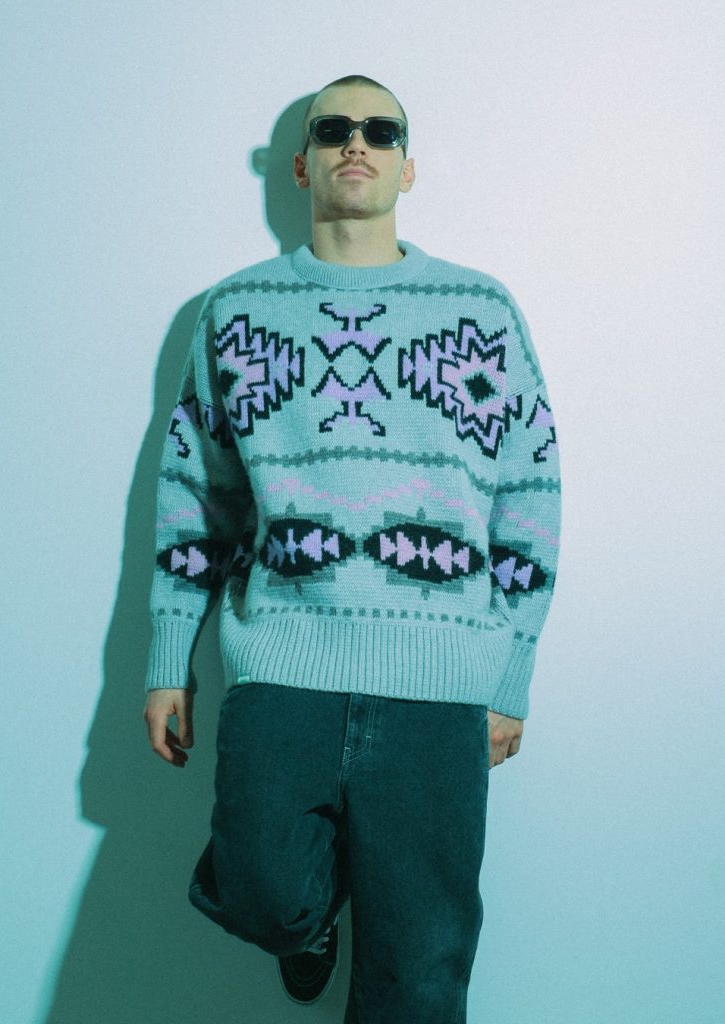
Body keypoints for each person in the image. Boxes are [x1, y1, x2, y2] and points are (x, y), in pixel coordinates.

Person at [143, 74, 561, 1023]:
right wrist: (169, 657)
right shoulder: (235, 309)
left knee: (419, 973)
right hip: (282, 662)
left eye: (381, 130)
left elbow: (530, 493)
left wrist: (512, 672)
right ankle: (309, 927)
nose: (356, 143)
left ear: (408, 167)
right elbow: (196, 491)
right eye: (332, 129)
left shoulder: (480, 309)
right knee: (260, 892)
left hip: (439, 679)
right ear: (301, 166)